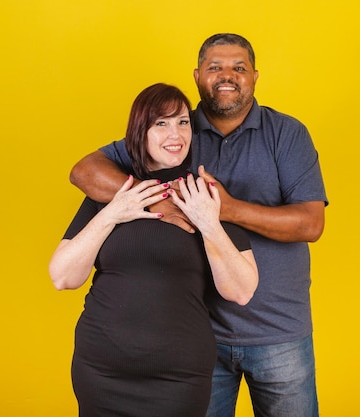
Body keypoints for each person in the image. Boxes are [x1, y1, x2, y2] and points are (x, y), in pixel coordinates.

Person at [69, 34, 328, 417]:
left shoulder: (287, 134)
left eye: (239, 67)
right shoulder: (176, 131)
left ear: (255, 76)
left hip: (278, 331)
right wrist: (164, 201)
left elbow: (310, 223)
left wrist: (225, 208)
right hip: (195, 334)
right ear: (197, 76)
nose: (227, 76)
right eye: (215, 67)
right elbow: (86, 171)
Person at [49, 83, 258, 417]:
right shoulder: (115, 190)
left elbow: (242, 290)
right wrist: (113, 214)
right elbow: (63, 277)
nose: (174, 133)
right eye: (160, 123)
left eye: (182, 122)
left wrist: (209, 223)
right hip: (102, 370)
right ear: (139, 132)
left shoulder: (203, 193)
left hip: (178, 376)